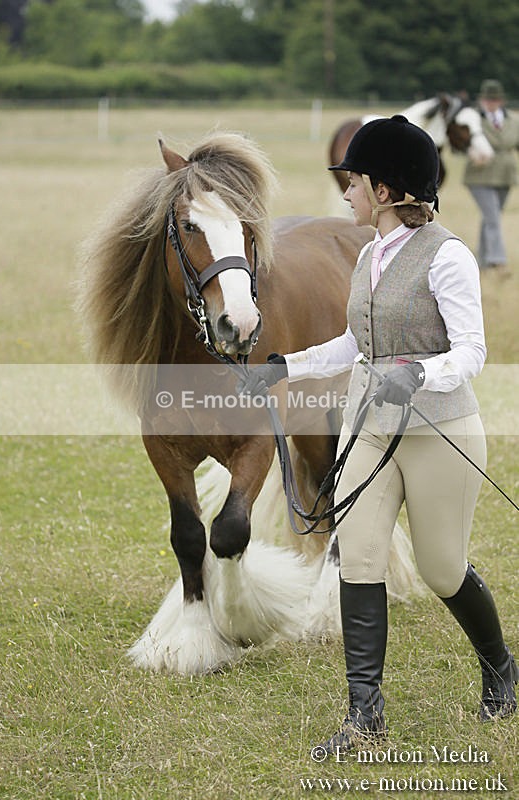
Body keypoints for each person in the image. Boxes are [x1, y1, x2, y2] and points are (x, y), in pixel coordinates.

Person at [238, 115, 517, 752]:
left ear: (385, 190)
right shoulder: (368, 256)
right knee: (359, 559)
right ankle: (364, 717)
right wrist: (288, 367)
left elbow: (472, 352)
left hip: (437, 432)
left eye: (353, 182)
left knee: (443, 569)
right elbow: (351, 343)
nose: (344, 194)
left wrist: (415, 374)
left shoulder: (448, 255)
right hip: (367, 429)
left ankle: (501, 666)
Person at [464, 79, 519, 275]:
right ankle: (498, 261)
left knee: (490, 219)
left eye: (494, 99)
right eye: (488, 99)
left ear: (501, 100)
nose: (491, 103)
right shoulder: (473, 120)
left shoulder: (513, 120)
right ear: (482, 100)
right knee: (493, 218)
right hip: (480, 175)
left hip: (506, 175)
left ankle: (482, 262)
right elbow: (461, 143)